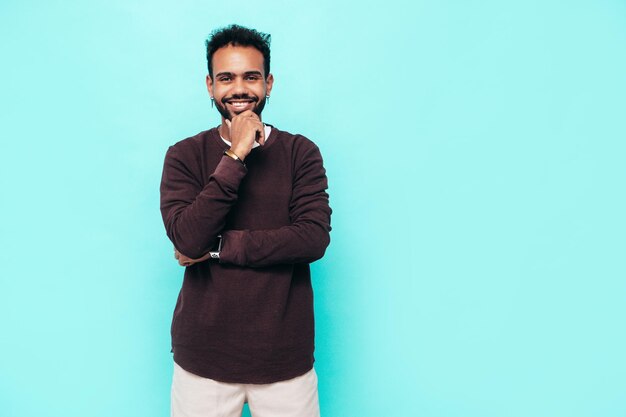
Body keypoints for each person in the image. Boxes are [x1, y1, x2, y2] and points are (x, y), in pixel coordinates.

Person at [159, 24, 331, 417]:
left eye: (251, 77)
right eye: (226, 78)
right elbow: (188, 240)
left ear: (269, 83)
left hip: (284, 361)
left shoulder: (300, 153)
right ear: (210, 86)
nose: (239, 89)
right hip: (203, 362)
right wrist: (235, 155)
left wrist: (219, 247)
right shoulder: (184, 156)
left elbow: (312, 238)